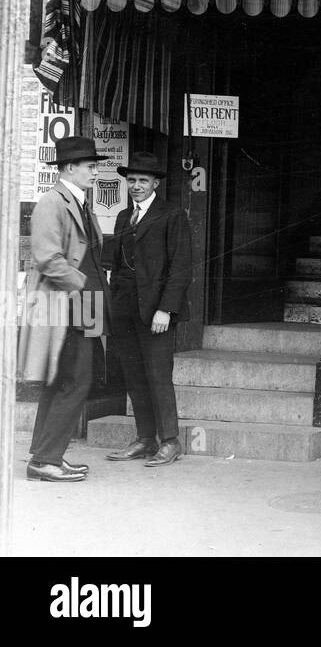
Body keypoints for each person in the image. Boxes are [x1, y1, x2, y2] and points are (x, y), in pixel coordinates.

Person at [22, 135, 109, 482]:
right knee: (75, 381)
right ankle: (45, 459)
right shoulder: (52, 203)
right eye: (90, 167)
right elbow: (46, 258)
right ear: (70, 168)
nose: (95, 172)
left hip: (86, 304)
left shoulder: (79, 203)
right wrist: (83, 284)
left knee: (66, 380)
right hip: (67, 304)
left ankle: (45, 454)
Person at [104, 152, 193, 467]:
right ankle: (144, 439)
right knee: (134, 375)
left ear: (155, 183)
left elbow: (181, 268)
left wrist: (166, 310)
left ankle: (170, 441)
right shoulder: (122, 217)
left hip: (155, 312)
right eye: (131, 180)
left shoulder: (171, 215)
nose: (136, 186)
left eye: (143, 180)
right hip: (125, 310)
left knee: (158, 375)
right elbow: (113, 266)